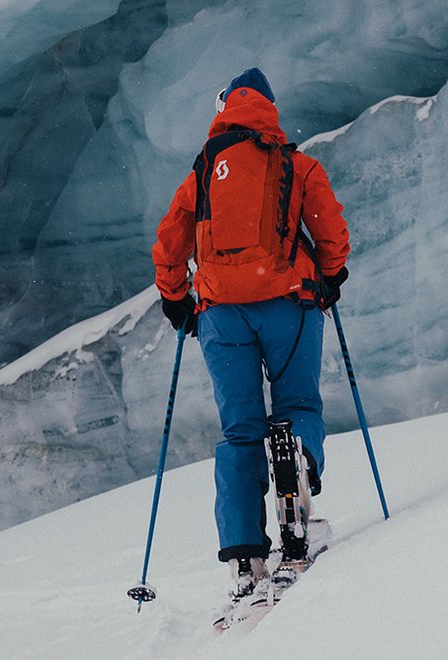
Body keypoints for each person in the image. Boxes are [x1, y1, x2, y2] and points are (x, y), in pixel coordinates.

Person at [150, 68, 351, 609]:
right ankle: (299, 482)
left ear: (223, 108)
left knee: (240, 431)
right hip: (289, 302)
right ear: (270, 107)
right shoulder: (295, 162)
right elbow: (330, 229)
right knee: (297, 404)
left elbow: (170, 242)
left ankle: (244, 557)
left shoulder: (202, 172)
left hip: (221, 315)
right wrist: (330, 276)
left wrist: (176, 299)